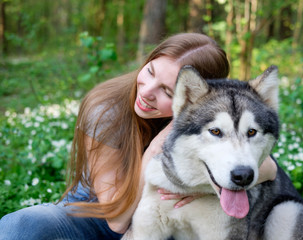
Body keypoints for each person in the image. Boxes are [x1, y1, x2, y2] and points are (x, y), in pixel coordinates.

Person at [0, 33, 277, 240]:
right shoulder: (105, 108)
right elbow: (117, 220)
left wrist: (198, 186)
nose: (146, 91)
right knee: (20, 227)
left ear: (193, 95)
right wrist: (156, 148)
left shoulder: (209, 122)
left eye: (168, 91)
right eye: (150, 71)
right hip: (96, 213)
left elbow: (270, 169)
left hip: (169, 217)